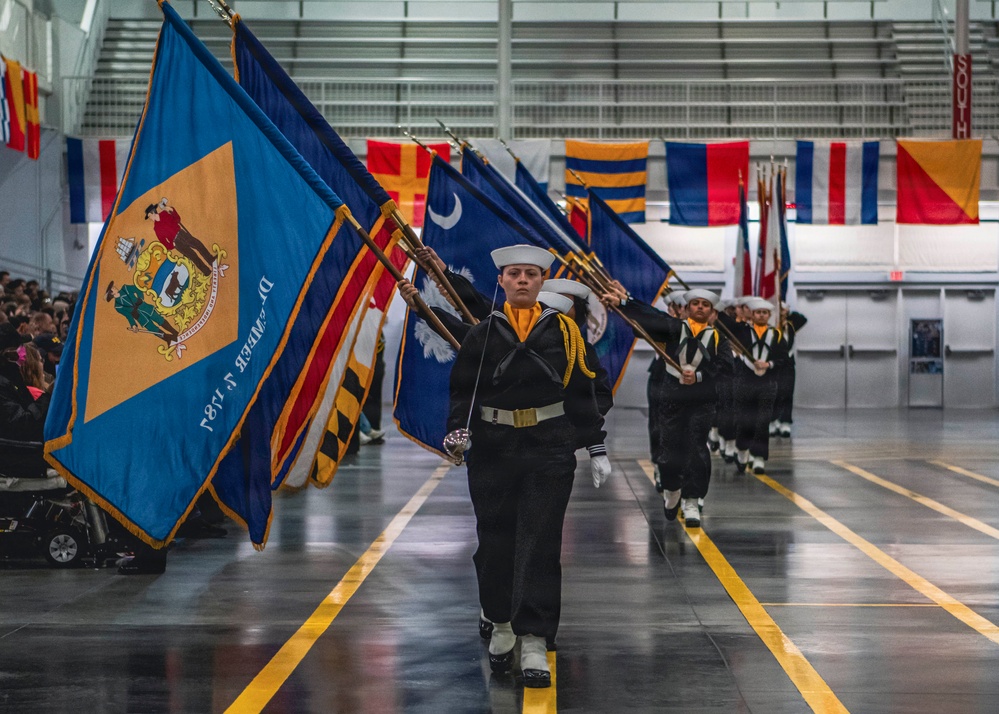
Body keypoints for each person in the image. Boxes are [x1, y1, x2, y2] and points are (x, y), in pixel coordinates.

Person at [446, 245, 609, 688]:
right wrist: (457, 432)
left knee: (541, 543)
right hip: (492, 450)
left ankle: (534, 638)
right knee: (495, 541)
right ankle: (500, 621)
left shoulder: (566, 333)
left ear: (541, 280)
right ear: (501, 281)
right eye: (514, 273)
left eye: (531, 274)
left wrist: (595, 446)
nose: (522, 280)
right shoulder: (483, 333)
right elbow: (462, 390)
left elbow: (582, 391)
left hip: (549, 448)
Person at [602, 283, 730, 526]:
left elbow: (726, 370)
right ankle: (672, 489)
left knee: (696, 448)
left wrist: (699, 376)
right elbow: (651, 316)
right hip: (672, 397)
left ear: (712, 312)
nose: (700, 307)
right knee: (669, 446)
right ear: (687, 308)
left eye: (705, 305)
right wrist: (625, 302)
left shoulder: (717, 339)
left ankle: (692, 500)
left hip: (702, 401)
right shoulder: (674, 328)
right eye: (695, 304)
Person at [716, 297, 789, 474]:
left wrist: (769, 364)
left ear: (769, 315)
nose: (761, 315)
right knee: (744, 419)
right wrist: (714, 306)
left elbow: (784, 359)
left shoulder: (777, 335)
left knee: (762, 421)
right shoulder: (743, 331)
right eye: (758, 312)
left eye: (765, 313)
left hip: (767, 383)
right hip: (744, 382)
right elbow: (724, 324)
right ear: (752, 314)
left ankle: (759, 458)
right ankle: (742, 449)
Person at [0, 323, 50, 441]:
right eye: (18, 347)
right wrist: (47, 397)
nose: (23, 351)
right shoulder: (3, 384)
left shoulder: (13, 376)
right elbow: (22, 425)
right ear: (7, 354)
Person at [771, 303, 807, 438]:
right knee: (773, 393)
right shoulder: (771, 326)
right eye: (779, 310)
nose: (782, 312)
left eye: (784, 310)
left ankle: (785, 422)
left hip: (788, 364)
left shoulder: (791, 325)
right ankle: (772, 421)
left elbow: (802, 319)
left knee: (787, 393)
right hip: (774, 364)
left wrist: (788, 312)